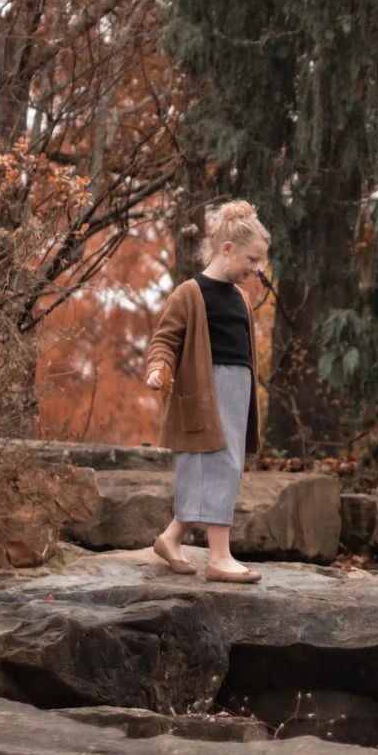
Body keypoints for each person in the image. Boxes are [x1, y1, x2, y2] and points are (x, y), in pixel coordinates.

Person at [142, 200, 274, 582]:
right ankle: (219, 558)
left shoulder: (241, 299)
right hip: (204, 395)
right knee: (217, 466)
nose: (257, 269)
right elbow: (164, 340)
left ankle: (170, 538)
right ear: (227, 249)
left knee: (222, 469)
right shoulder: (190, 292)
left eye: (261, 262)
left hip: (236, 394)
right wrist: (157, 368)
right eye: (253, 259)